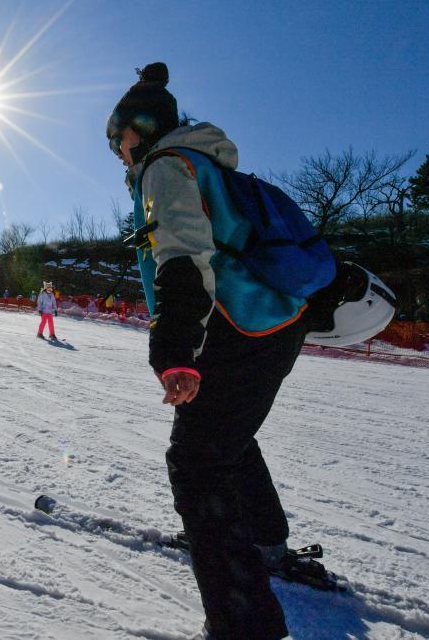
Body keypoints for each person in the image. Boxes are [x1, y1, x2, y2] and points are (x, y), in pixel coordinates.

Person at [107, 62, 310, 640]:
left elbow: (183, 256)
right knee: (224, 438)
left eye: (115, 139)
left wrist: (173, 349)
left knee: (196, 462)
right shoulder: (204, 160)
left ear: (135, 130)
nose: (116, 153)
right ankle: (265, 541)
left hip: (233, 327)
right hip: (274, 323)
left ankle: (245, 627)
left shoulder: (164, 167)